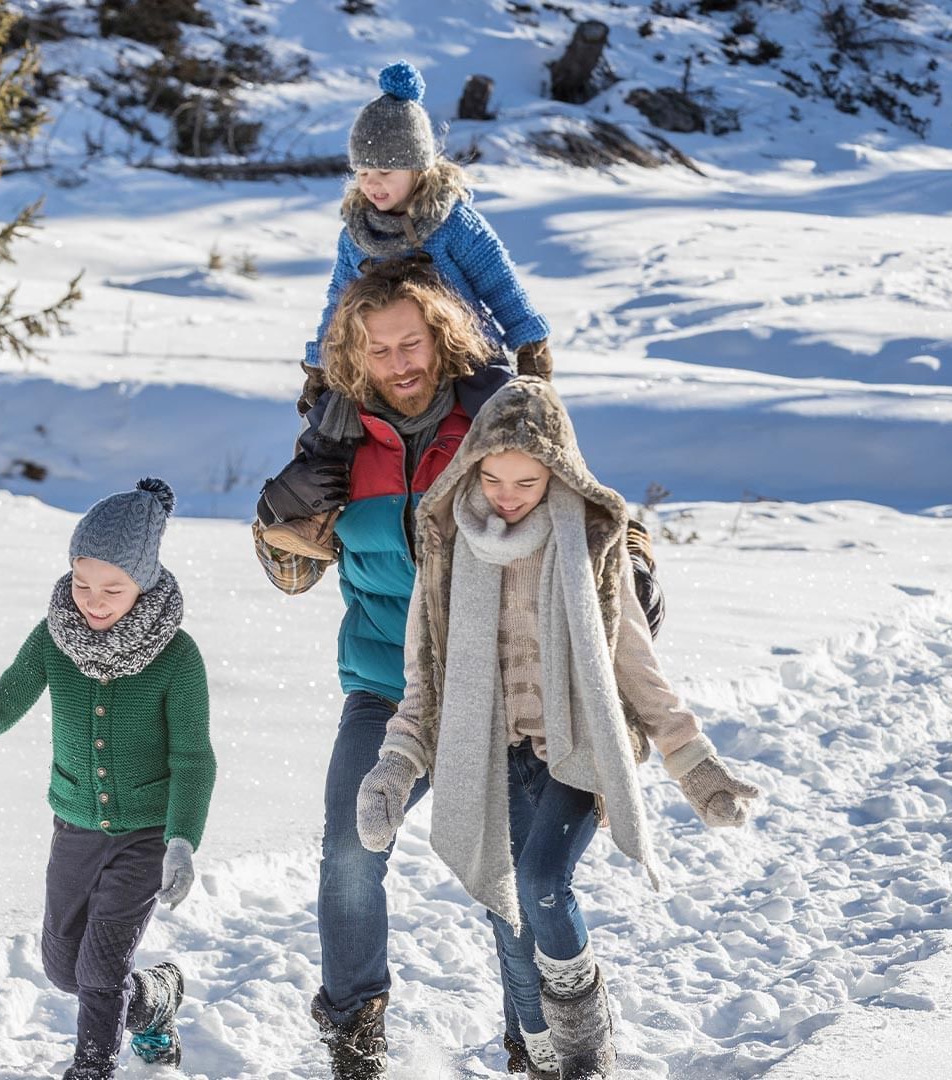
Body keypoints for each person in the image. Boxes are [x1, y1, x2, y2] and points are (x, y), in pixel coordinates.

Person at [354, 377, 762, 1080]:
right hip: (492, 755)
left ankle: (585, 1051)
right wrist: (394, 766)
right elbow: (426, 678)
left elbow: (635, 667)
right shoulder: (449, 546)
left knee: (543, 881)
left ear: (558, 470)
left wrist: (694, 764)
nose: (508, 494)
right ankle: (541, 1060)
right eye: (492, 475)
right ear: (472, 466)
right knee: (508, 914)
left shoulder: (589, 546)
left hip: (577, 749)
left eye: (528, 478)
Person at [253, 260, 514, 1079]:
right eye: (380, 350)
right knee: (348, 849)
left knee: (504, 866)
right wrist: (278, 516)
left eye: (412, 342)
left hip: (494, 681)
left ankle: (539, 1031)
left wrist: (633, 568)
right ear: (354, 357)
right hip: (383, 683)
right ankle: (354, 1031)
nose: (400, 363)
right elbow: (292, 574)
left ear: (440, 338)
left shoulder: (494, 421)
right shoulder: (337, 439)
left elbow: (583, 505)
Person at [0, 479, 216, 1080]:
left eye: (113, 588)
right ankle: (156, 1000)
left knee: (100, 971)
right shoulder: (53, 638)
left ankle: (92, 1068)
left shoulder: (177, 656)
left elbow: (195, 759)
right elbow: (4, 704)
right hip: (75, 828)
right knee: (64, 969)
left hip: (146, 835)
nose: (93, 599)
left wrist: (182, 840)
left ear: (144, 583)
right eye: (82, 583)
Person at [258, 58, 553, 562]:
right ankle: (312, 519)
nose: (373, 183)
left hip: (466, 352)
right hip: (382, 354)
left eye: (386, 172)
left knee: (497, 409)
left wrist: (529, 342)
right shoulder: (358, 231)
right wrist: (320, 360)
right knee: (332, 420)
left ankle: (529, 504)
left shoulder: (454, 221)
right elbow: (338, 299)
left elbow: (499, 283)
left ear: (419, 167)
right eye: (364, 172)